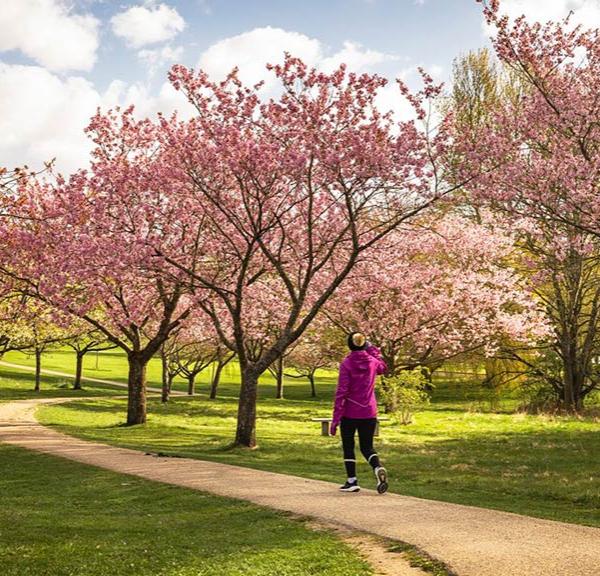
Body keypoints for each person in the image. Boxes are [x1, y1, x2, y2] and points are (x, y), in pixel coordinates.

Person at [330, 331, 388, 494]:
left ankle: (352, 481)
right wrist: (373, 350)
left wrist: (335, 419)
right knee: (367, 447)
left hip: (350, 412)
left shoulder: (346, 364)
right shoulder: (373, 362)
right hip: (369, 412)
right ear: (365, 344)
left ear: (349, 345)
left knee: (348, 446)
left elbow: (341, 392)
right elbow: (383, 368)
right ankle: (377, 467)